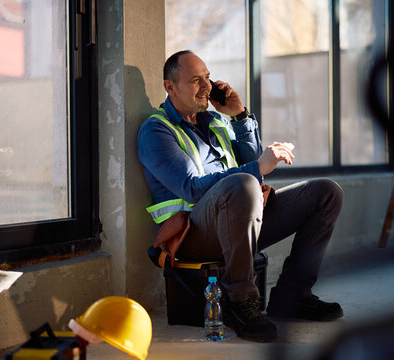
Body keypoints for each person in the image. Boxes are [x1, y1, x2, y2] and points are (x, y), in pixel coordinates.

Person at [137, 50, 344, 343]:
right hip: (195, 237)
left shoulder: (214, 122)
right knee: (244, 182)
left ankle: (293, 296)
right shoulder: (156, 131)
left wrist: (239, 116)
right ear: (170, 87)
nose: (207, 87)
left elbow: (251, 162)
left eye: (207, 78)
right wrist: (257, 167)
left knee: (326, 192)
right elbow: (192, 187)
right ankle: (240, 301)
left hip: (240, 223)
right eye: (196, 80)